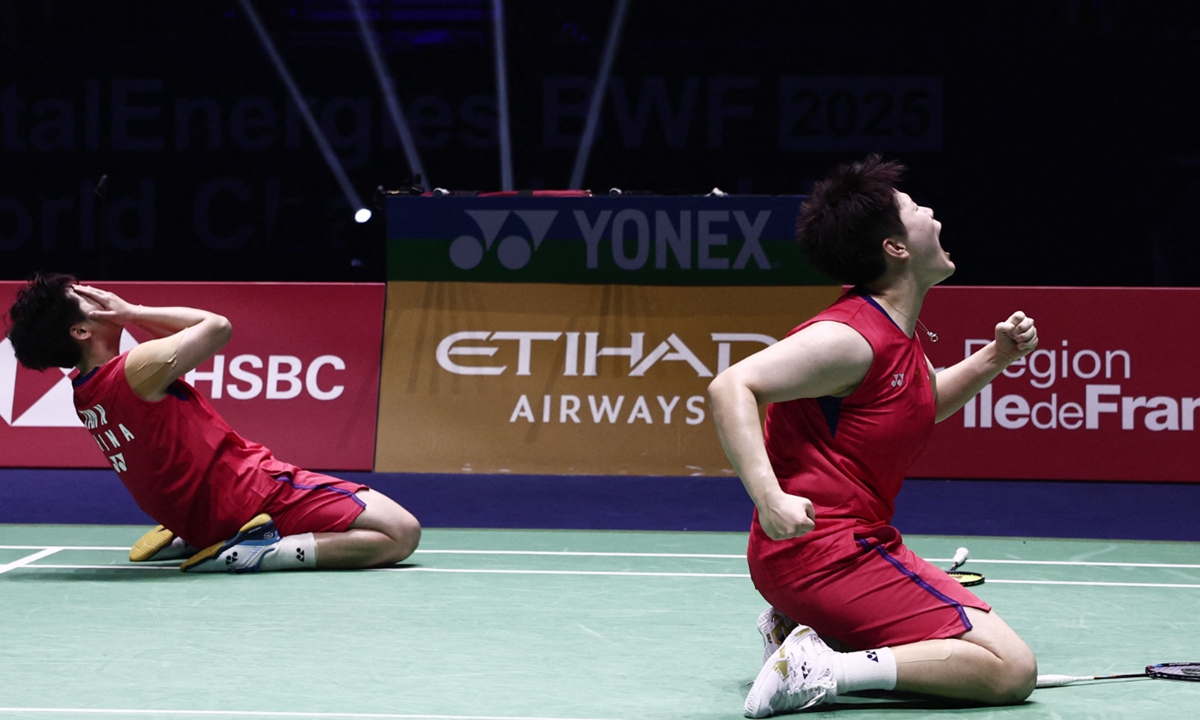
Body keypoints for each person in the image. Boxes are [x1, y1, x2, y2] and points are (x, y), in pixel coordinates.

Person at [707, 156, 1039, 716]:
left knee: (974, 648)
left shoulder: (891, 333)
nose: (930, 212)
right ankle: (822, 667)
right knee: (1011, 669)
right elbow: (731, 386)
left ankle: (806, 631)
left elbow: (920, 404)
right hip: (825, 552)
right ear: (896, 248)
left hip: (832, 552)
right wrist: (768, 498)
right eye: (914, 208)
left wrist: (997, 355)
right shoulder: (850, 336)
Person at [6, 274, 421, 573]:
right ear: (80, 329)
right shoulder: (135, 369)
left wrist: (126, 317)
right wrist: (133, 311)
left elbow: (178, 343)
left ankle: (197, 537)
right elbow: (217, 327)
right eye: (88, 297)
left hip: (197, 513)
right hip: (252, 492)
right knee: (400, 532)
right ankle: (263, 551)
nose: (103, 296)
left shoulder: (86, 390)